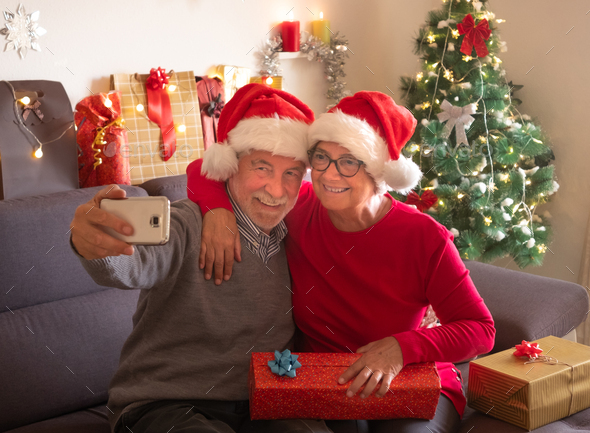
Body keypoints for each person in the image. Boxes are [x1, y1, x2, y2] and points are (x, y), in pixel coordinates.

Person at [186, 90, 496, 433]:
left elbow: (481, 329)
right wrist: (217, 211)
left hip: (406, 378)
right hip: (322, 380)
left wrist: (401, 347)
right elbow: (208, 170)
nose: (329, 175)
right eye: (321, 157)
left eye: (349, 161)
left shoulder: (423, 236)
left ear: (379, 171)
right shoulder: (295, 207)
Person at [69, 83, 334, 433]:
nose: (276, 190)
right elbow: (130, 266)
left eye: (291, 174)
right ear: (231, 166)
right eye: (262, 168)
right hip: (165, 403)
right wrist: (92, 243)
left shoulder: (301, 233)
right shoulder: (188, 223)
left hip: (268, 403)